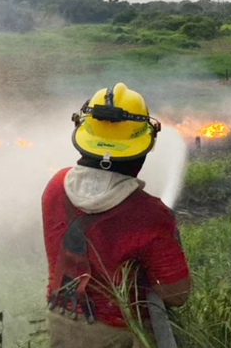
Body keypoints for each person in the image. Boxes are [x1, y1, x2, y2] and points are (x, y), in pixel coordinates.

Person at [41, 83, 191, 348]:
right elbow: (176, 293)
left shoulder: (56, 186)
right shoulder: (147, 213)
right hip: (122, 335)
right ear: (141, 148)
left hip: (62, 325)